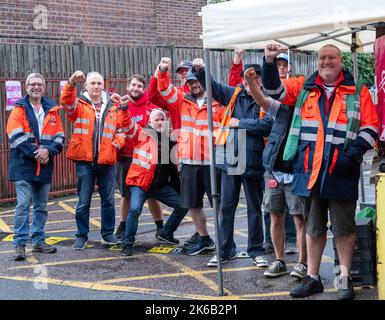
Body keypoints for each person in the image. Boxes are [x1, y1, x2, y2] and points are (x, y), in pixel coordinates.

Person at [262, 43, 379, 300]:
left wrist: (352, 154)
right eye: (322, 58)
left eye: (332, 58)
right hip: (309, 171)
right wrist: (269, 61)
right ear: (317, 61)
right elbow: (274, 91)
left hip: (341, 171)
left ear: (340, 61)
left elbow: (371, 126)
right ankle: (313, 278)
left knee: (344, 229)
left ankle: (345, 280)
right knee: (313, 228)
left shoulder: (357, 91)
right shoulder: (303, 87)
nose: (327, 62)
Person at [192, 59, 273, 267]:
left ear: (260, 79)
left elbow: (267, 125)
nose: (250, 80)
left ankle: (256, 250)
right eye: (247, 77)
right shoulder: (233, 94)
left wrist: (240, 124)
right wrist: (200, 70)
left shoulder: (267, 99)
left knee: (255, 208)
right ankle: (225, 250)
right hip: (230, 160)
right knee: (227, 207)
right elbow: (211, 86)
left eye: (254, 77)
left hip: (254, 160)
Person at [228, 49, 297, 254]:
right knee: (270, 206)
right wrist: (237, 61)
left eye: (284, 66)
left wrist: (240, 123)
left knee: (294, 209)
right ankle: (270, 242)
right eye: (278, 66)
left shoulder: (294, 90)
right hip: (267, 155)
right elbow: (246, 92)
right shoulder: (265, 89)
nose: (281, 69)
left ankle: (291, 241)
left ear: (290, 69)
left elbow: (265, 123)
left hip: (284, 156)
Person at [154, 57, 224, 255]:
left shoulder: (218, 101)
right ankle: (204, 238)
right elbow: (164, 88)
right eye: (190, 82)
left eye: (197, 81)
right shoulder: (181, 101)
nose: (194, 85)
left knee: (218, 204)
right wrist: (162, 70)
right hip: (190, 161)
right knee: (193, 204)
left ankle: (223, 241)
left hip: (212, 162)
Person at [244, 67, 307, 280]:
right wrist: (251, 81)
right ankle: (279, 260)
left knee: (300, 219)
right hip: (274, 171)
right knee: (275, 217)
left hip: (297, 172)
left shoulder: (307, 109)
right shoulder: (280, 109)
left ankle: (302, 263)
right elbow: (262, 100)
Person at [61, 70, 129, 250]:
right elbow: (66, 102)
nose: (96, 86)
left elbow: (122, 129)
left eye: (99, 83)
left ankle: (107, 234)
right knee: (83, 202)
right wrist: (70, 83)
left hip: (107, 162)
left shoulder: (114, 105)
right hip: (85, 162)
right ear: (86, 86)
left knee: (108, 200)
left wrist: (116, 144)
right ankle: (81, 236)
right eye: (93, 83)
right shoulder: (79, 104)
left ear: (103, 85)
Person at [7, 73, 65, 260]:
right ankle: (20, 244)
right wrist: (37, 154)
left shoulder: (52, 110)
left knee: (41, 206)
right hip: (24, 165)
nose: (36, 87)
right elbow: (15, 136)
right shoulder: (19, 109)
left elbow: (60, 136)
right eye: (32, 84)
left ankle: (39, 242)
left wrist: (48, 151)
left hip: (45, 164)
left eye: (39, 84)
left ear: (44, 86)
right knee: (23, 205)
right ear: (26, 87)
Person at [117, 108, 189, 256]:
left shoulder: (170, 140)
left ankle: (166, 233)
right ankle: (128, 243)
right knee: (135, 209)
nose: (160, 122)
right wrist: (124, 108)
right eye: (156, 119)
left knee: (183, 205)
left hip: (159, 186)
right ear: (150, 122)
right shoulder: (142, 133)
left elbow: (176, 163)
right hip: (141, 184)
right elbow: (127, 124)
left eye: (163, 119)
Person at [111, 75, 165, 241]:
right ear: (128, 86)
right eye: (133, 85)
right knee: (126, 195)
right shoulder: (119, 104)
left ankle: (160, 226)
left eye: (139, 86)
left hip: (146, 157)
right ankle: (123, 225)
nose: (135, 88)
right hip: (126, 157)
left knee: (152, 195)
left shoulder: (151, 106)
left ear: (143, 89)